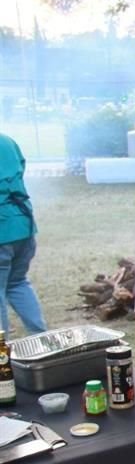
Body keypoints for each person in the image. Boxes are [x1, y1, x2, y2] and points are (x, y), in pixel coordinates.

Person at [0, 132, 47, 336]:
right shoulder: (7, 141)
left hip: (2, 230)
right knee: (17, 282)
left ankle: (1, 359)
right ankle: (43, 340)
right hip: (23, 225)